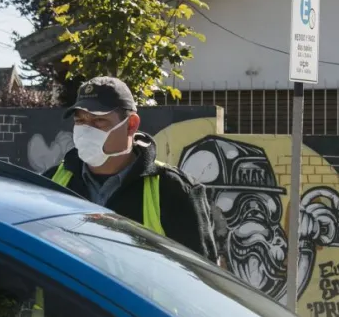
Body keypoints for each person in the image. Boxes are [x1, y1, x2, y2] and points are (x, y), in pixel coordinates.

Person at [43, 76, 219, 262]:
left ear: (131, 125)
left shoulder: (173, 190)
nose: (86, 131)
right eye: (80, 121)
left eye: (98, 121)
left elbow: (199, 278)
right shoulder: (50, 182)